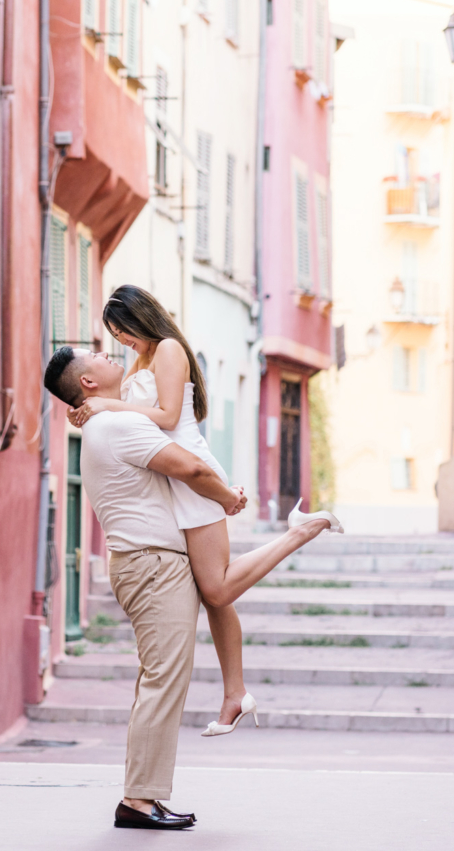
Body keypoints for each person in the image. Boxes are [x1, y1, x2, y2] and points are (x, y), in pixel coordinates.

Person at [45, 345, 336, 831]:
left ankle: (144, 796)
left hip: (146, 563)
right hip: (154, 566)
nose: (106, 350)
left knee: (159, 680)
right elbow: (192, 469)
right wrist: (229, 497)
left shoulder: (105, 422)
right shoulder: (117, 426)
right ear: (87, 383)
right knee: (163, 680)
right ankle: (139, 802)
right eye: (96, 353)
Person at [69, 284, 344, 735]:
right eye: (116, 337)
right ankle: (235, 694)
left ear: (141, 319)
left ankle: (300, 530)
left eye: (124, 332)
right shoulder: (139, 361)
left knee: (216, 590)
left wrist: (105, 403)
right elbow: (130, 419)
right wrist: (89, 410)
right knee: (212, 593)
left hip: (191, 473)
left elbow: (166, 415)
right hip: (172, 481)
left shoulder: (169, 349)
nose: (122, 343)